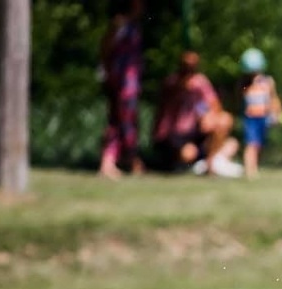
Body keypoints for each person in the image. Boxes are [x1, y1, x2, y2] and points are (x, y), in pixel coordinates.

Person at [150, 52, 241, 177]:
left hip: (194, 130)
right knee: (188, 154)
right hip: (174, 134)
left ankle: (210, 163)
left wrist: (208, 116)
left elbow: (215, 105)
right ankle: (191, 164)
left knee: (226, 123)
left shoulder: (200, 83)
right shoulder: (171, 83)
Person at [97, 0, 144, 180]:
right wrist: (106, 73)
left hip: (127, 83)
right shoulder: (121, 23)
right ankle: (117, 162)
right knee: (121, 122)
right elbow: (106, 48)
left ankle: (117, 162)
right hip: (122, 83)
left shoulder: (131, 25)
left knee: (121, 123)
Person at [238, 48, 282, 181]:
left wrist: (276, 113)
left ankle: (255, 166)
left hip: (263, 117)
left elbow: (273, 98)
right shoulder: (244, 84)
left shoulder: (268, 82)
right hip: (250, 118)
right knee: (251, 143)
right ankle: (249, 170)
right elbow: (242, 96)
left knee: (259, 144)